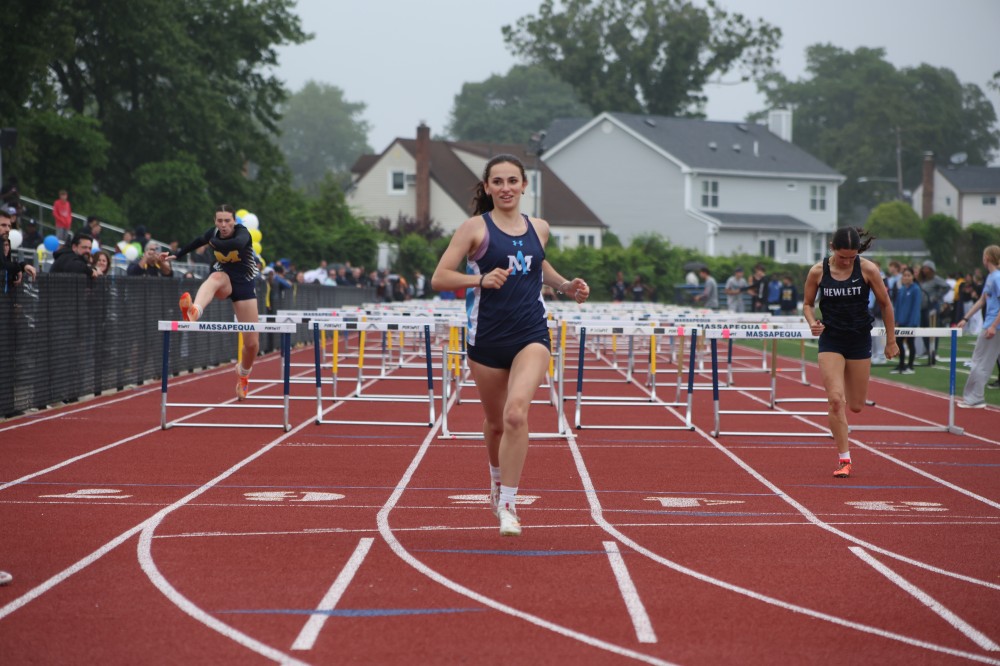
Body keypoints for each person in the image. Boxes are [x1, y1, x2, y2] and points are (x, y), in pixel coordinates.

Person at [430, 153, 589, 537]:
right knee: (497, 423)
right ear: (487, 187)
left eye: (512, 181)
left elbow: (537, 265)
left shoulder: (540, 228)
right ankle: (496, 478)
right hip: (486, 338)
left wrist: (565, 285)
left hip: (530, 334)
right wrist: (479, 280)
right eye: (498, 182)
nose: (506, 188)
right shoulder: (474, 229)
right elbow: (440, 277)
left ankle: (508, 505)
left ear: (523, 185)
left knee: (517, 414)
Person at [802, 227, 897, 479]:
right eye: (843, 257)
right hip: (831, 340)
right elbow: (807, 304)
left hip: (858, 340)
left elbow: (885, 304)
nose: (847, 261)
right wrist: (812, 322)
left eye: (852, 257)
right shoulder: (818, 271)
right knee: (835, 400)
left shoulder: (868, 269)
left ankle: (845, 388)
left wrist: (891, 340)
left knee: (856, 406)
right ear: (832, 248)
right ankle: (844, 459)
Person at [166, 205, 260, 401]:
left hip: (244, 286)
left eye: (227, 221)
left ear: (234, 221)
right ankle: (194, 311)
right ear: (215, 221)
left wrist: (213, 241)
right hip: (225, 281)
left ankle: (243, 373)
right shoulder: (213, 233)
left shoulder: (243, 233)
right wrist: (178, 254)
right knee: (215, 276)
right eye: (219, 221)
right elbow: (197, 241)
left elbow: (233, 244)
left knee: (252, 344)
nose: (223, 225)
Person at [954, 245, 1000, 409]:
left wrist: (993, 326)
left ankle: (976, 397)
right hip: (990, 324)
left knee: (981, 362)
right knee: (979, 360)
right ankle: (974, 396)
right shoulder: (991, 277)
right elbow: (982, 301)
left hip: (994, 326)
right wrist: (965, 318)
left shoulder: (997, 278)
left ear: (987, 258)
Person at [891, 266, 921, 375]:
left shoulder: (916, 289)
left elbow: (916, 307)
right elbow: (898, 306)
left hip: (911, 322)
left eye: (909, 275)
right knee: (899, 342)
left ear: (913, 277)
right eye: (904, 275)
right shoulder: (902, 289)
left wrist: (912, 323)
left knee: (910, 342)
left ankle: (910, 366)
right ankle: (901, 365)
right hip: (901, 322)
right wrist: (896, 320)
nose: (906, 277)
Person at [1, 209, 37, 290]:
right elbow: (2, 265)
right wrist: (18, 268)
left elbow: (7, 265)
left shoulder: (6, 240)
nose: (7, 229)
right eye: (3, 225)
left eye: (9, 226)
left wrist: (23, 266)